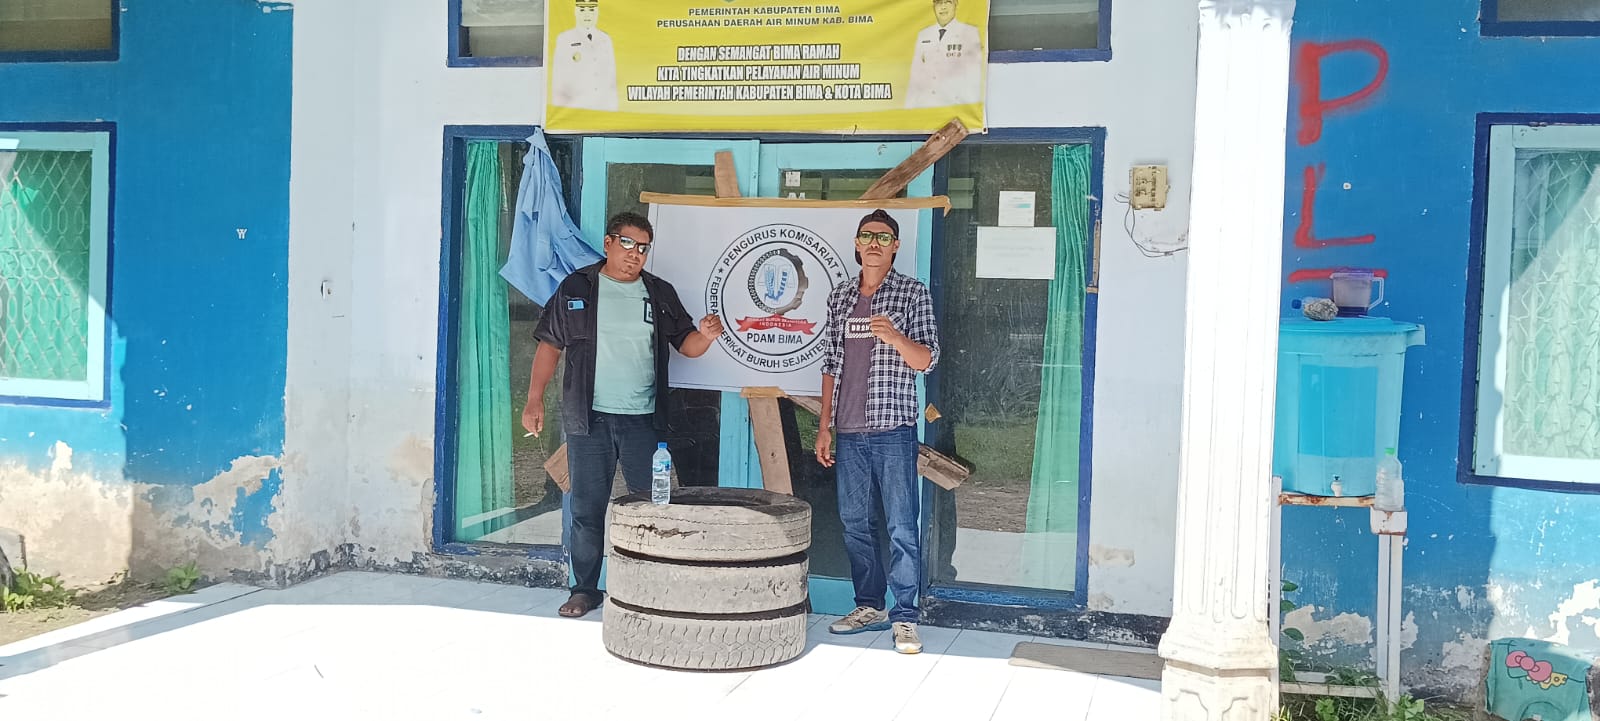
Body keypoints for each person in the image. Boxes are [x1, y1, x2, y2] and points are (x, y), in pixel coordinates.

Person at [523, 211, 725, 618]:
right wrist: (534, 399)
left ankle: (656, 587)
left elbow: (686, 345)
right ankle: (584, 590)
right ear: (609, 243)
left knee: (653, 507)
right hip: (589, 420)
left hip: (643, 421)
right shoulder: (577, 287)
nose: (635, 254)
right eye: (628, 243)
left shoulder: (659, 293)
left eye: (643, 248)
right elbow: (550, 345)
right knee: (586, 510)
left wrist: (705, 336)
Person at [816, 210, 941, 654]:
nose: (874, 243)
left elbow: (927, 359)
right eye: (867, 236)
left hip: (893, 429)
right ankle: (869, 605)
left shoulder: (911, 293)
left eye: (883, 237)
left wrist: (896, 337)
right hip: (848, 430)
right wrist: (824, 426)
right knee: (855, 523)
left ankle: (905, 616)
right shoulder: (840, 296)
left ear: (895, 247)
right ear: (856, 243)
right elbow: (830, 363)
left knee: (901, 525)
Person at [905, 0, 984, 109]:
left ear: (956, 4)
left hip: (954, 105)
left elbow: (974, 75)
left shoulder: (969, 32)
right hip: (925, 105)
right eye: (939, 3)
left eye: (948, 2)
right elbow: (915, 76)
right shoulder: (924, 34)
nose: (943, 7)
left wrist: (970, 108)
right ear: (934, 6)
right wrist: (909, 107)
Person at [550, 0, 619, 112]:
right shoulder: (565, 39)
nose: (587, 15)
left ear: (597, 12)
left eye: (591, 10)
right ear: (575, 12)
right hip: (576, 108)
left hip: (603, 108)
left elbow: (611, 80)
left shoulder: (605, 39)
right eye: (582, 10)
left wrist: (613, 109)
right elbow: (558, 83)